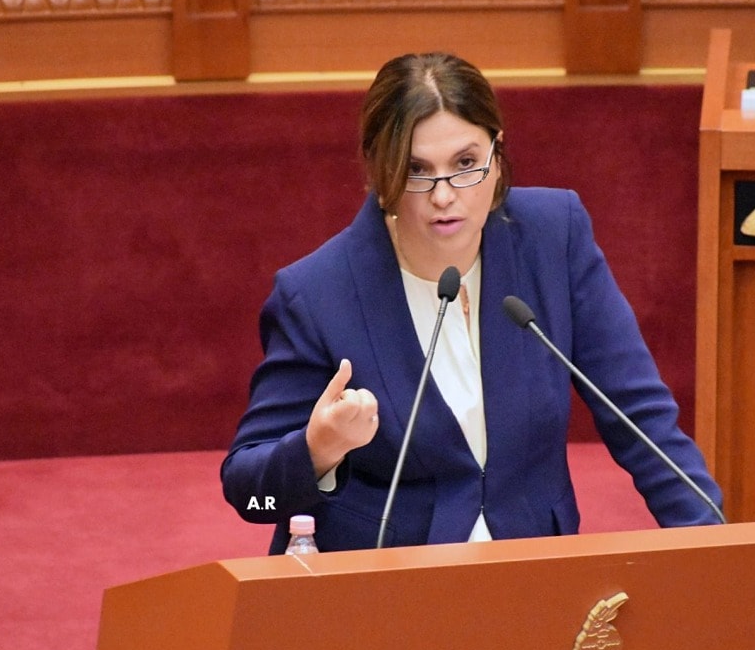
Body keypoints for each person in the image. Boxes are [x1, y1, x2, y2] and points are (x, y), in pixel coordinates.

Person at [221, 52, 723, 555]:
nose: (444, 196)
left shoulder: (554, 237)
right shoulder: (317, 294)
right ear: (379, 170)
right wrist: (318, 451)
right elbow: (249, 494)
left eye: (465, 164)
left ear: (497, 155)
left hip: (530, 570)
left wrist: (711, 545)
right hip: (388, 583)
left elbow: (640, 419)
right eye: (417, 170)